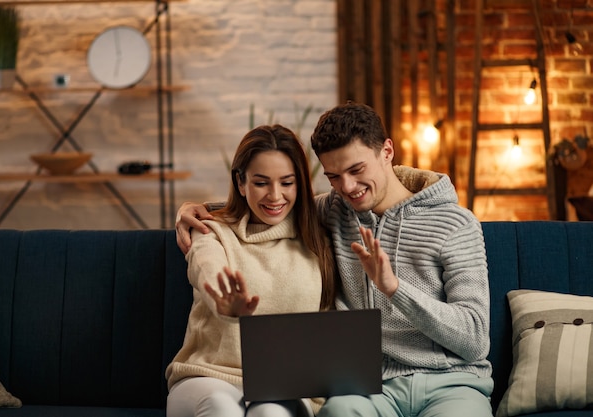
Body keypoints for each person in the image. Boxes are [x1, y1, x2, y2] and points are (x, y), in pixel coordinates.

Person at [175, 102, 494, 417]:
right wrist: (195, 209)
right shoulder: (335, 210)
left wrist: (395, 289)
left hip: (451, 384)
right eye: (334, 177)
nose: (348, 188)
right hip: (369, 388)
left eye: (356, 170)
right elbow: (275, 204)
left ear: (387, 151)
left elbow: (475, 339)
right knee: (337, 412)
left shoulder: (455, 224)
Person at [165, 124, 337, 417]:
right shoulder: (211, 232)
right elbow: (205, 266)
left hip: (287, 387)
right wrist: (223, 301)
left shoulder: (317, 239)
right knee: (221, 407)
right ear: (240, 182)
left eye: (287, 182)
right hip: (208, 377)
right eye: (260, 183)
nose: (275, 196)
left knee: (270, 414)